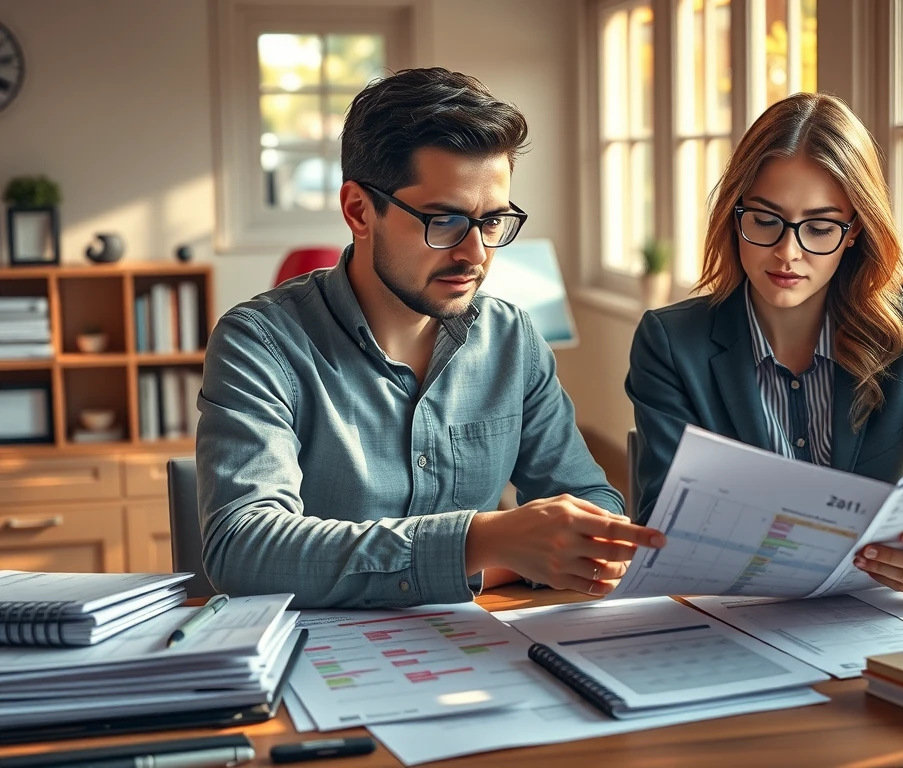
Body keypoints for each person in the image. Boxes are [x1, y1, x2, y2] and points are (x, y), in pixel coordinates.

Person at [198, 67, 664, 609]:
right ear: (358, 211)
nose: (477, 254)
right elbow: (245, 548)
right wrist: (481, 546)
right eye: (444, 221)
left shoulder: (511, 339)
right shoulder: (259, 344)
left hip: (482, 653)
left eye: (493, 222)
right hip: (317, 670)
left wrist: (502, 557)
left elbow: (590, 505)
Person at [626, 92, 903, 604]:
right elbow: (660, 529)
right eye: (765, 220)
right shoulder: (671, 343)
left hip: (868, 621)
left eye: (819, 227)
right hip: (734, 619)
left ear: (855, 230)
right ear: (733, 215)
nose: (788, 252)